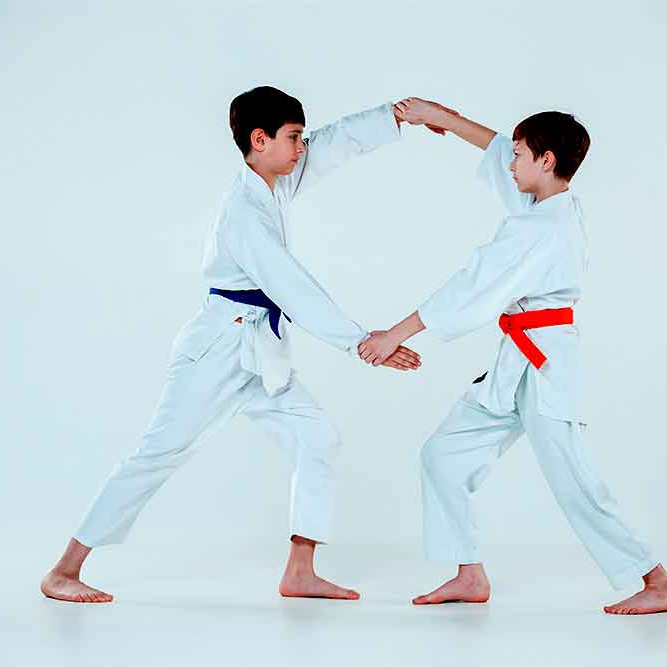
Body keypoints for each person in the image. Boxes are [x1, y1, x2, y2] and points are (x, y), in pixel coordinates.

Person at [41, 86, 426, 604]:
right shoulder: (243, 210)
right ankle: (64, 570)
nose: (303, 147)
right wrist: (360, 341)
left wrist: (396, 118)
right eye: (293, 138)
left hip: (262, 354)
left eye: (301, 137)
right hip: (218, 351)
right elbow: (291, 285)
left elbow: (335, 143)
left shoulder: (275, 182)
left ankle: (300, 570)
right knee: (156, 454)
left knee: (318, 438)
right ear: (260, 140)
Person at [359, 98, 667, 615]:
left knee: (573, 478)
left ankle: (657, 581)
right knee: (443, 455)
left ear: (546, 160)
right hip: (516, 360)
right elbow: (493, 147)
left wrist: (393, 335)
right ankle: (469, 575)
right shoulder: (548, 206)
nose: (509, 164)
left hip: (546, 363)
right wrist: (440, 118)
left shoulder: (540, 228)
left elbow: (471, 286)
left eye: (519, 155)